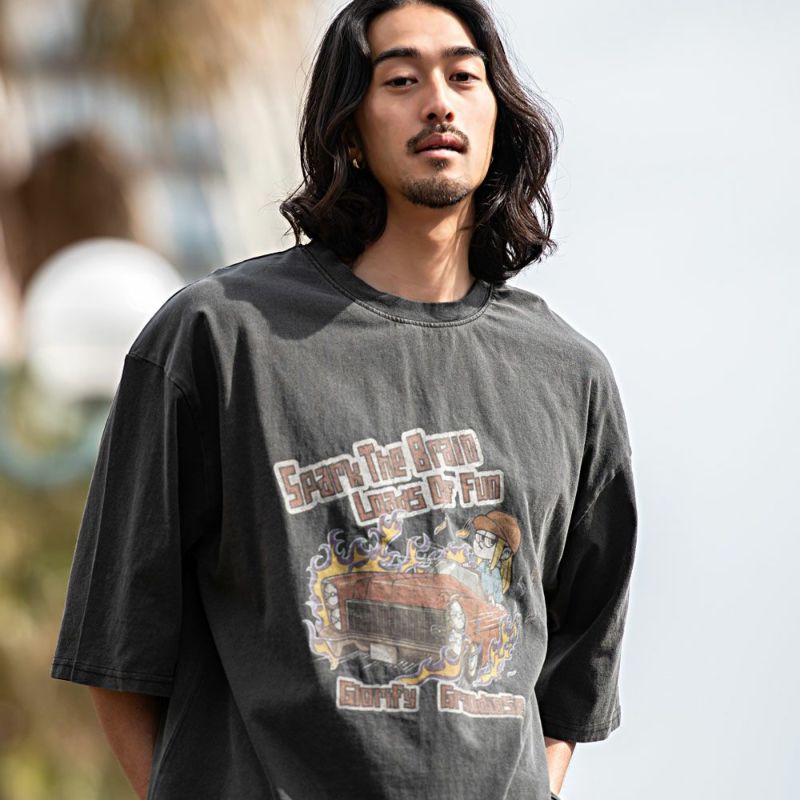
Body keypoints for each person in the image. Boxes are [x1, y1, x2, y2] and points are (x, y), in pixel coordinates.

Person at [51, 1, 638, 798]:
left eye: (464, 77)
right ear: (350, 132)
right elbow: (117, 648)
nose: (438, 101)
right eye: (401, 80)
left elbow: (574, 679)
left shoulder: (569, 377)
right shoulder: (221, 338)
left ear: (499, 118)